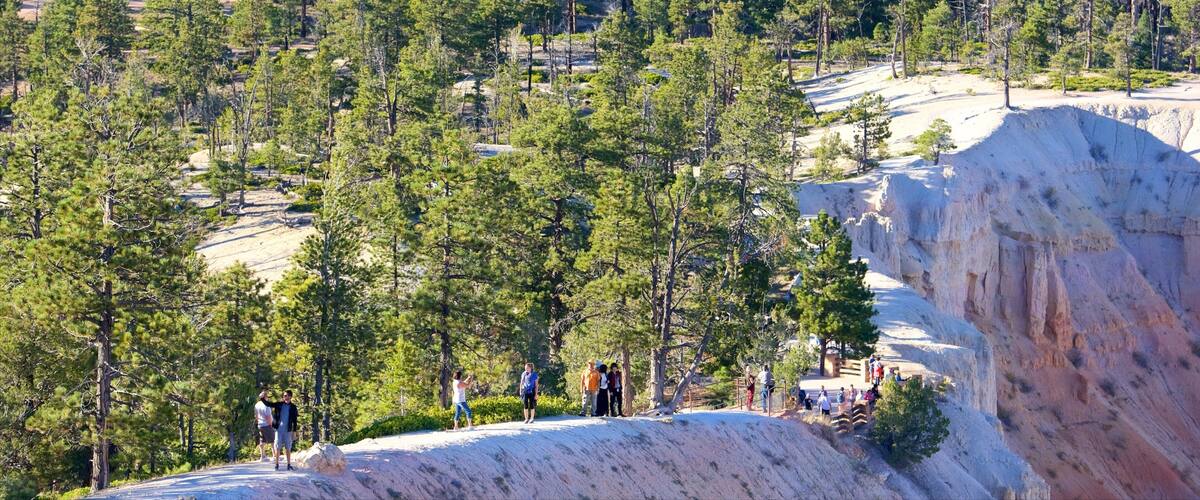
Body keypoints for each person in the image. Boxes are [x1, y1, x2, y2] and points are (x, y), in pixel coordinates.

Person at [260, 390, 299, 471]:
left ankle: (289, 465)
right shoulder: (279, 404)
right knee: (277, 447)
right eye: (284, 395)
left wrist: (294, 432)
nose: (286, 397)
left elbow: (295, 420)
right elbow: (269, 404)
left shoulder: (293, 407)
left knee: (288, 448)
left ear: (291, 397)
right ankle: (277, 465)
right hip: (279, 430)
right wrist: (262, 398)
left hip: (288, 430)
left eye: (287, 395)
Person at [254, 390, 274, 462]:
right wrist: (271, 424)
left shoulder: (257, 405)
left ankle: (262, 456)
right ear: (265, 397)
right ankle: (274, 456)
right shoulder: (266, 405)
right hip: (267, 424)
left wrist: (258, 422)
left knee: (262, 440)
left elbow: (256, 416)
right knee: (273, 440)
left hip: (260, 424)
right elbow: (268, 417)